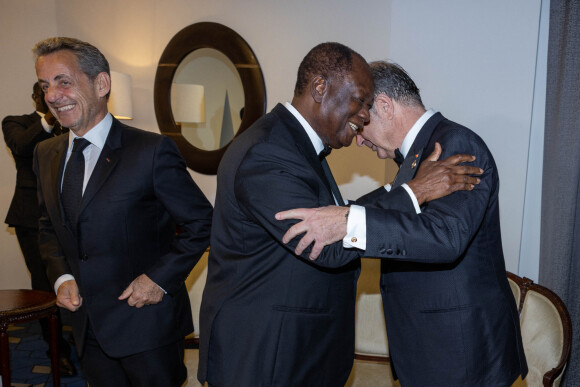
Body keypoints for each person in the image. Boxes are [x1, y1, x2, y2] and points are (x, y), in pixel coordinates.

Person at [198, 43, 482, 386]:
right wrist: (416, 192)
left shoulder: (294, 146)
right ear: (321, 88)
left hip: (293, 352)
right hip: (266, 356)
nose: (364, 117)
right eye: (360, 101)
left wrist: (398, 192)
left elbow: (337, 218)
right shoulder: (269, 152)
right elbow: (326, 244)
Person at [277, 61, 528, 386]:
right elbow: (400, 207)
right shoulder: (416, 157)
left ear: (383, 105)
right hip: (431, 352)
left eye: (360, 120)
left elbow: (446, 237)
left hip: (462, 354)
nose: (358, 138)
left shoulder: (455, 146)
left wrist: (349, 221)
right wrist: (342, 217)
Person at [32, 37, 213, 386]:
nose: (52, 96)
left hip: (147, 327)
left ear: (102, 83)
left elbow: (202, 223)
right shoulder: (45, 154)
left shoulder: (151, 150)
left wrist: (158, 278)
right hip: (87, 327)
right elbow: (47, 227)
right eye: (45, 86)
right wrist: (62, 276)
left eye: (63, 81)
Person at [2, 82, 75, 376]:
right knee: (45, 285)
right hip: (30, 218)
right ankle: (57, 351)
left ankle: (84, 341)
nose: (51, 97)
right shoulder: (17, 123)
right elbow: (20, 146)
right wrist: (50, 117)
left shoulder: (71, 125)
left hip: (69, 215)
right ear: (37, 97)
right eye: (45, 93)